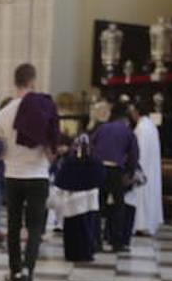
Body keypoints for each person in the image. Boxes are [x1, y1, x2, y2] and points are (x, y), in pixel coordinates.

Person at [0, 63, 58, 281]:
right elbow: (51, 148)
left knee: (13, 224)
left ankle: (15, 271)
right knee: (34, 227)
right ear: (33, 81)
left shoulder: (4, 112)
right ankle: (29, 270)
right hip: (38, 175)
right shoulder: (44, 108)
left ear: (15, 82)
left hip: (13, 176)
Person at [89, 100, 139, 252]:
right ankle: (116, 242)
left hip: (98, 168)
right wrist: (130, 173)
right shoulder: (128, 132)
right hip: (116, 170)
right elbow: (134, 155)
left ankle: (96, 242)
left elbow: (91, 145)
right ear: (125, 120)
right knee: (118, 207)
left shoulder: (102, 128)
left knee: (97, 205)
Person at [51, 133, 105, 263]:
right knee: (88, 228)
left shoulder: (69, 162)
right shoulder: (95, 162)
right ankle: (87, 252)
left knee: (72, 229)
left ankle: (72, 253)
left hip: (71, 201)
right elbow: (101, 178)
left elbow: (60, 180)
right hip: (89, 200)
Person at [126, 100, 165, 236]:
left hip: (143, 169)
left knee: (140, 196)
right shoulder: (151, 126)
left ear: (136, 112)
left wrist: (132, 168)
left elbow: (139, 151)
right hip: (150, 169)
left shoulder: (142, 128)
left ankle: (140, 224)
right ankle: (146, 223)